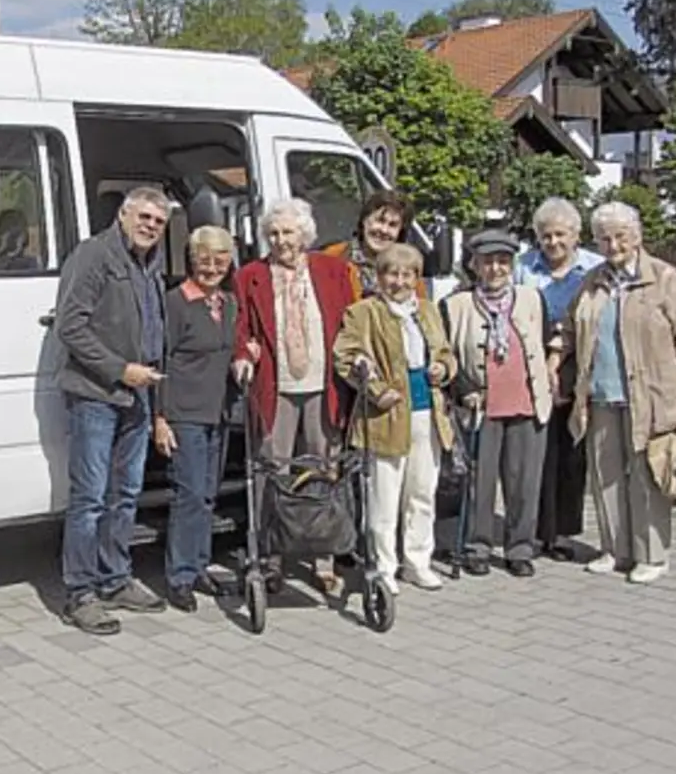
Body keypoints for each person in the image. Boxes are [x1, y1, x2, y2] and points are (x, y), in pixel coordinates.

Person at [558, 201, 676, 584]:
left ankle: (652, 555)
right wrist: (554, 365)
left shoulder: (664, 279)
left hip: (652, 397)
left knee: (647, 477)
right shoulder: (592, 282)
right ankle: (615, 549)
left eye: (620, 236)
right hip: (600, 396)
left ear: (637, 236)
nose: (613, 245)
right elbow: (570, 331)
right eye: (604, 238)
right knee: (605, 476)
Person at [53, 186, 173, 633]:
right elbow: (70, 326)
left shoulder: (150, 264)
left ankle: (115, 578)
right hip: (96, 394)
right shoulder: (94, 255)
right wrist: (120, 370)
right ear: (123, 214)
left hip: (137, 396)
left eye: (158, 222)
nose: (150, 226)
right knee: (89, 499)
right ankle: (80, 593)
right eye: (144, 217)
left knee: (125, 494)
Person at [231, 199, 356, 595]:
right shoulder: (250, 276)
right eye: (273, 233)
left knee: (324, 467)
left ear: (304, 234)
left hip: (324, 385)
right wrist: (242, 356)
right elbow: (241, 328)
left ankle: (324, 557)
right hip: (276, 386)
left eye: (288, 232)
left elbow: (351, 322)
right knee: (272, 468)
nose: (281, 240)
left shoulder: (333, 271)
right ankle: (270, 558)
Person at [333, 243, 458, 592]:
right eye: (392, 274)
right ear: (379, 276)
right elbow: (346, 357)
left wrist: (443, 367)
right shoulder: (363, 312)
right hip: (386, 416)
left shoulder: (428, 311)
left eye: (407, 274)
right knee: (384, 499)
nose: (399, 282)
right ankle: (383, 568)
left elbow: (446, 352)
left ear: (416, 278)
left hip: (427, 413)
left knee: (422, 493)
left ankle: (417, 562)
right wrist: (375, 390)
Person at [441, 229, 555, 577]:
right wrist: (462, 389)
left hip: (526, 403)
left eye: (503, 261)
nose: (495, 269)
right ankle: (477, 547)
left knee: (524, 483)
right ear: (474, 266)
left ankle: (520, 548)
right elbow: (444, 355)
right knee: (480, 482)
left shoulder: (532, 299)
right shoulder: (455, 305)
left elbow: (544, 341)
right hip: (480, 406)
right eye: (487, 262)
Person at [154, 226, 240, 612]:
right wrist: (160, 417)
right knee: (188, 495)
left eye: (220, 260)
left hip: (217, 412)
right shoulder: (176, 303)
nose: (212, 267)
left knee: (207, 495)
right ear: (192, 260)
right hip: (184, 413)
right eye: (204, 259)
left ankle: (200, 564)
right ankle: (180, 576)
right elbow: (161, 360)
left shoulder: (227, 303)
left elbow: (232, 350)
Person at [513, 197, 604, 561]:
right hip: (531, 364)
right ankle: (536, 530)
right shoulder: (523, 267)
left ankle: (564, 532)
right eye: (546, 235)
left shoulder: (594, 268)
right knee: (536, 451)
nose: (553, 242)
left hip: (578, 364)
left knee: (571, 452)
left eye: (560, 235)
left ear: (576, 235)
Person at [320, 191, 430, 301]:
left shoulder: (409, 274)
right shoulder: (332, 257)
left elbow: (421, 309)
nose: (384, 230)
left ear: (400, 233)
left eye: (393, 225)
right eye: (380, 221)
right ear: (364, 220)